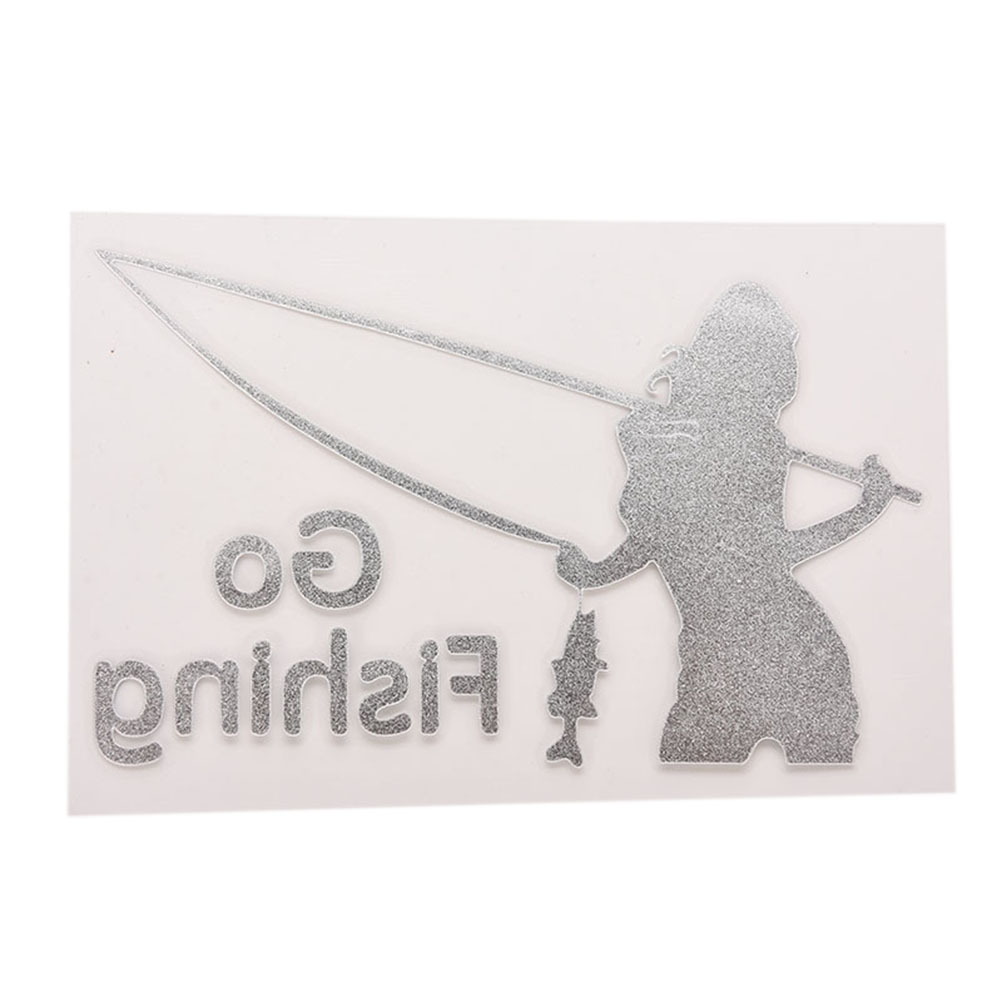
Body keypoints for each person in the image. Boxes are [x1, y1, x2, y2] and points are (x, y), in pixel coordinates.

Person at [556, 283, 897, 764]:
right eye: (782, 354)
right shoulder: (685, 438)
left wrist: (865, 511)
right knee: (694, 762)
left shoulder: (756, 444)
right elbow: (662, 536)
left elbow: (763, 554)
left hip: (787, 659)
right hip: (721, 655)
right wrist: (594, 571)